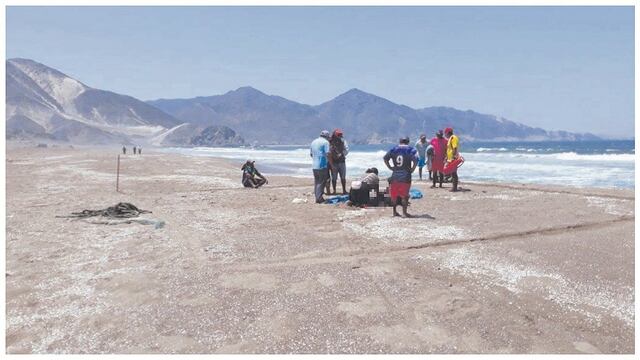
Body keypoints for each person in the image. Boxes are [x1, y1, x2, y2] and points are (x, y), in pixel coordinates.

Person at [383, 137, 418, 218]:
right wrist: (412, 169)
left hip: (395, 175)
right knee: (404, 195)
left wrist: (390, 167)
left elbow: (385, 158)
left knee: (394, 195)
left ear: (400, 141)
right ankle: (404, 213)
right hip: (405, 175)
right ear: (408, 142)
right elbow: (416, 160)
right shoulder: (410, 149)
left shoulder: (394, 149)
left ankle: (394, 212)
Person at [310, 130, 331, 203]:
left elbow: (311, 154)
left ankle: (317, 197)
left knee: (317, 182)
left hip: (314, 166)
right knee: (322, 182)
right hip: (322, 165)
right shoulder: (326, 142)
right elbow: (328, 154)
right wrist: (330, 163)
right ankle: (319, 198)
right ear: (327, 136)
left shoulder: (313, 142)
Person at [329, 129, 349, 194]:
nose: (340, 136)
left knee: (342, 177)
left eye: (340, 135)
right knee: (334, 177)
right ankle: (335, 190)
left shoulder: (342, 141)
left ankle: (343, 190)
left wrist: (341, 154)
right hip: (335, 162)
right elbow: (328, 151)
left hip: (341, 161)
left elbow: (347, 150)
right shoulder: (330, 141)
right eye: (338, 135)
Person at [445, 127, 460, 192]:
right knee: (452, 172)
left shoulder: (453, 138)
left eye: (445, 133)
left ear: (448, 133)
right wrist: (447, 157)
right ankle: (454, 187)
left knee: (454, 173)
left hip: (453, 158)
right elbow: (449, 149)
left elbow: (454, 148)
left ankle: (454, 188)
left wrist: (453, 157)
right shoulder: (450, 138)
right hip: (450, 158)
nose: (445, 135)